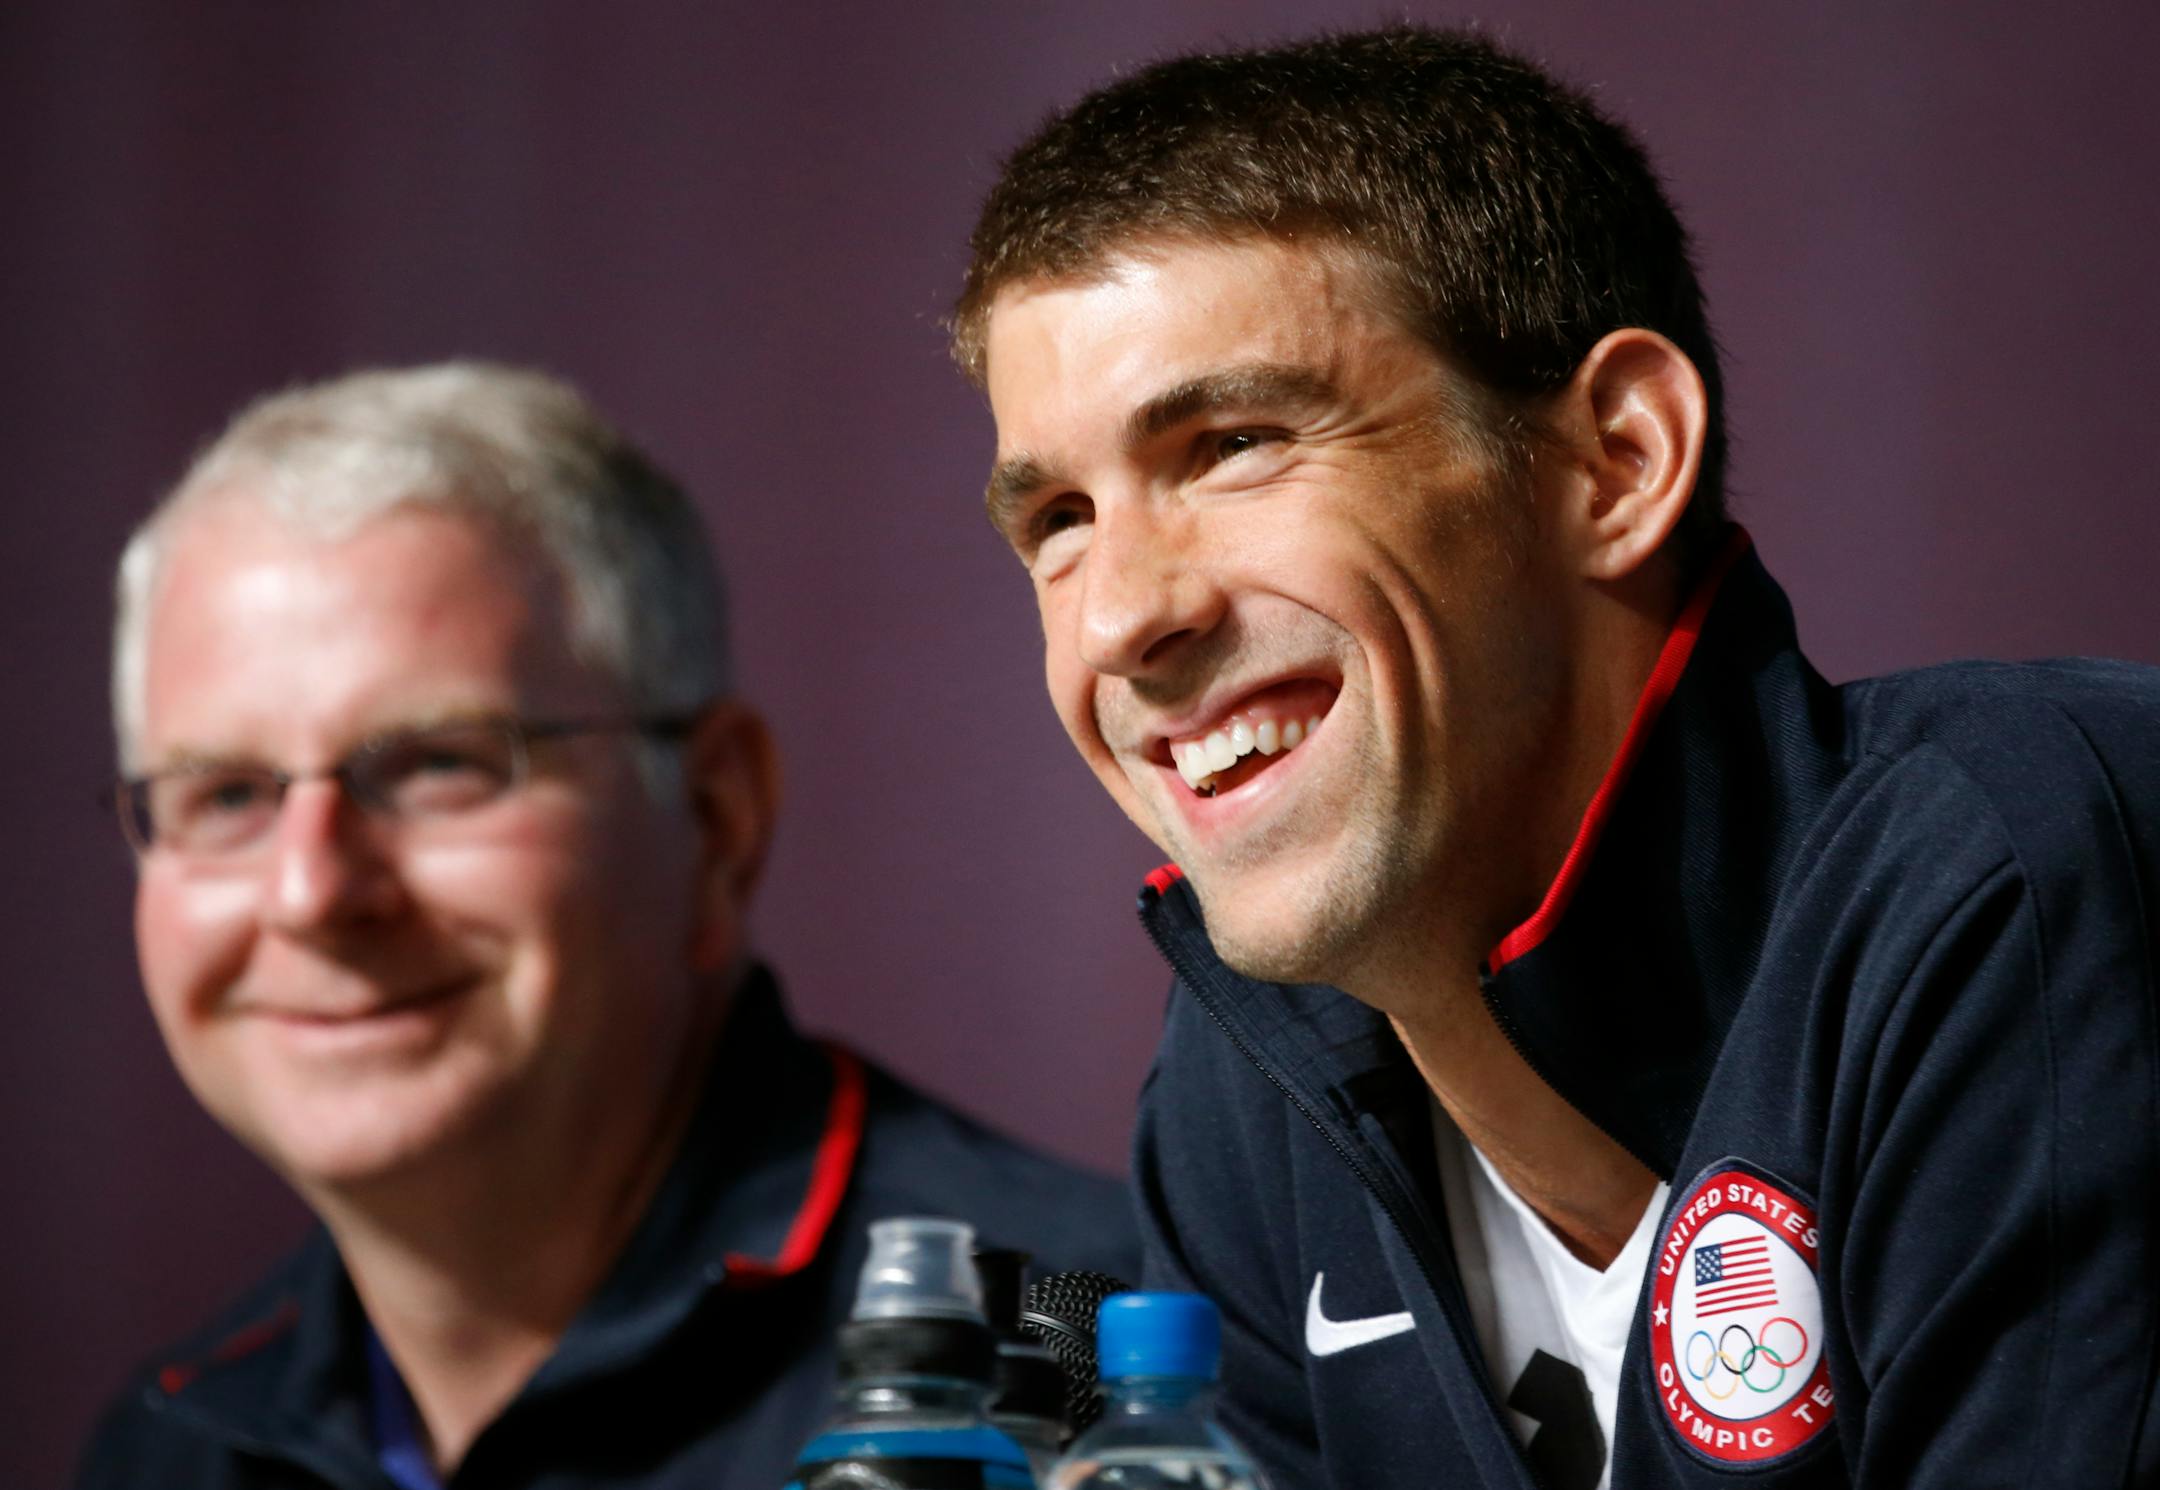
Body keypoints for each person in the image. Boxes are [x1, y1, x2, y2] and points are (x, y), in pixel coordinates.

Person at [951, 26, 2160, 1490]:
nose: (1125, 614)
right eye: (1058, 521)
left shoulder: (2022, 863)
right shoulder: (1247, 1088)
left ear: (1618, 461)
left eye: (1234, 443)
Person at [76, 363, 1140, 1489]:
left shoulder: (1084, 1355)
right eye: (226, 794)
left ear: (716, 816)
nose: (312, 891)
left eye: (441, 763)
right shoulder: (171, 1447)